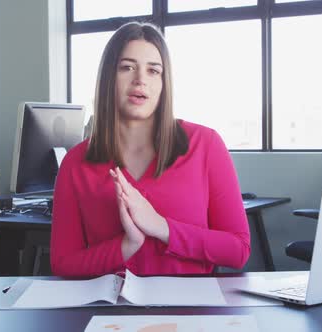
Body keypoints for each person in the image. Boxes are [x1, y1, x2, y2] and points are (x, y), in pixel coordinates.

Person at [50, 22, 250, 278]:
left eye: (153, 70)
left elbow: (238, 250)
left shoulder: (206, 144)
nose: (140, 79)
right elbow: (63, 263)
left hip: (192, 312)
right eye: (127, 67)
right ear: (108, 77)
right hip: (111, 313)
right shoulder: (76, 162)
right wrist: (126, 245)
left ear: (164, 83)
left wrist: (161, 227)